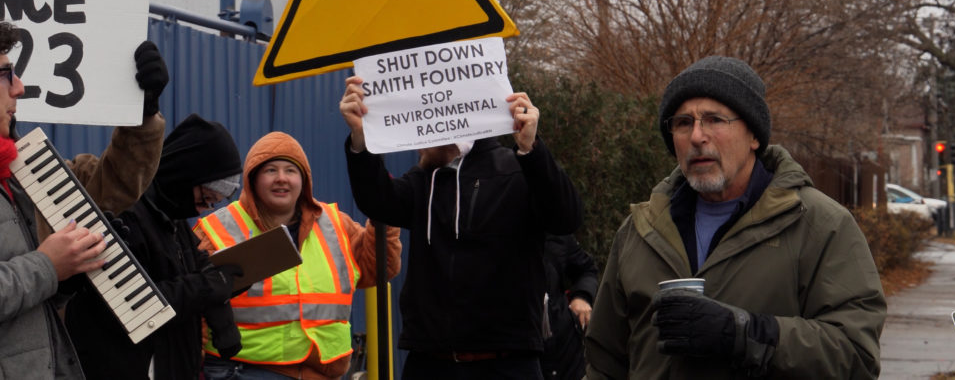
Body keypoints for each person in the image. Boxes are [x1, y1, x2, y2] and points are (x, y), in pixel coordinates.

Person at [0, 6, 169, 378]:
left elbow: (109, 187)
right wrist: (49, 266)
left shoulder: (5, 164)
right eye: (5, 74)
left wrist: (143, 113)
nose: (20, 87)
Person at [584, 55, 886, 379]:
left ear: (754, 135)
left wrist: (743, 333)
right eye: (683, 123)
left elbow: (856, 355)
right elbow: (604, 363)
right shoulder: (639, 233)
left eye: (714, 119)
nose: (697, 136)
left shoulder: (819, 225)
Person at [339, 76, 583, 380]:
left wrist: (532, 149)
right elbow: (377, 201)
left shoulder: (519, 170)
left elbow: (566, 218)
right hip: (430, 362)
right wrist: (360, 140)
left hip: (507, 364)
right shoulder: (424, 179)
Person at [195, 130, 402, 380]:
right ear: (252, 178)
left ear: (304, 180)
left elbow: (379, 269)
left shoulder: (337, 224)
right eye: (271, 170)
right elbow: (196, 308)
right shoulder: (215, 229)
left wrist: (386, 216)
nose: (281, 179)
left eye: (291, 171)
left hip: (322, 371)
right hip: (245, 370)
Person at [66, 113, 247, 379]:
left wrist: (222, 315)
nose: (203, 209)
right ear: (184, 176)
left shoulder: (173, 217)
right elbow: (134, 303)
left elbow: (198, 270)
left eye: (213, 202)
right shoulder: (124, 215)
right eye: (205, 197)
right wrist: (208, 287)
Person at [540, 234, 599, 380]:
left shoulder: (555, 233)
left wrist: (582, 297)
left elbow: (586, 270)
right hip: (520, 357)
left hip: (566, 354)